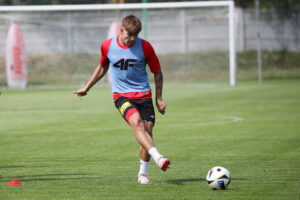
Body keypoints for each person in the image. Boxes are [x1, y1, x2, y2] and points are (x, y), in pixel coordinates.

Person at [73, 15, 170, 184]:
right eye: (129, 34)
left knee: (147, 133)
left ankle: (142, 174)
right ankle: (159, 157)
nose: (132, 39)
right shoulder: (107, 45)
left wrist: (159, 98)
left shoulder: (145, 47)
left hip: (144, 95)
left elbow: (157, 72)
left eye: (136, 35)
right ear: (121, 30)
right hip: (121, 95)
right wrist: (87, 87)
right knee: (137, 122)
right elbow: (102, 66)